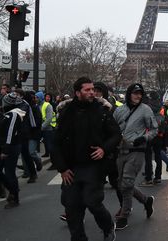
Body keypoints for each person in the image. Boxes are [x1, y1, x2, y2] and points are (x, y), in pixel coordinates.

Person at [53, 77, 122, 241]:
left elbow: (116, 135)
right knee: (71, 206)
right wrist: (62, 168)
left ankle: (107, 227)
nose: (92, 92)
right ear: (77, 93)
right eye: (88, 90)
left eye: (93, 90)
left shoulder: (102, 111)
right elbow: (56, 143)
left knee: (92, 202)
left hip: (93, 165)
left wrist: (104, 149)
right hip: (71, 167)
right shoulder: (66, 113)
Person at [112, 83, 157, 229]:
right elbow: (112, 128)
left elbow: (154, 129)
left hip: (137, 150)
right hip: (121, 150)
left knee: (127, 182)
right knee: (121, 184)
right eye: (135, 93)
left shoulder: (146, 110)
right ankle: (145, 201)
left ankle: (124, 216)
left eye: (140, 93)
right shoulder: (119, 110)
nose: (138, 96)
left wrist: (144, 138)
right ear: (129, 94)